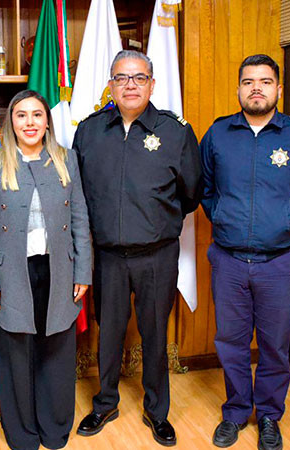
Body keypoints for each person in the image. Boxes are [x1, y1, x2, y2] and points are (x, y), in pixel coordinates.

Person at [199, 54, 290, 450]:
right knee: (231, 342)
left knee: (274, 345)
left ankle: (270, 416)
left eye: (265, 81)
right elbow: (205, 190)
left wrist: (286, 223)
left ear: (278, 89)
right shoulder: (219, 134)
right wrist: (224, 219)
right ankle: (237, 411)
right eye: (248, 81)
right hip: (229, 261)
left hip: (280, 263)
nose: (256, 87)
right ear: (238, 88)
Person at [73, 50, 203, 447]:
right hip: (108, 256)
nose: (130, 85)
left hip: (157, 256)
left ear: (152, 84)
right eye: (121, 78)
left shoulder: (176, 132)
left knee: (153, 334)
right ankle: (106, 402)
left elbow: (192, 192)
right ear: (110, 84)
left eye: (139, 77)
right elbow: (77, 191)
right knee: (108, 333)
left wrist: (155, 221)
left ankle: (156, 411)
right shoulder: (90, 131)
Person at [0, 90, 92, 450]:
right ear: (11, 122)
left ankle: (54, 428)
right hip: (10, 276)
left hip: (58, 271)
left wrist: (83, 272)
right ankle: (22, 433)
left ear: (47, 121)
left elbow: (80, 220)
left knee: (55, 350)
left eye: (37, 115)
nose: (29, 122)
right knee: (15, 355)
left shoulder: (66, 160)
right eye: (21, 115)